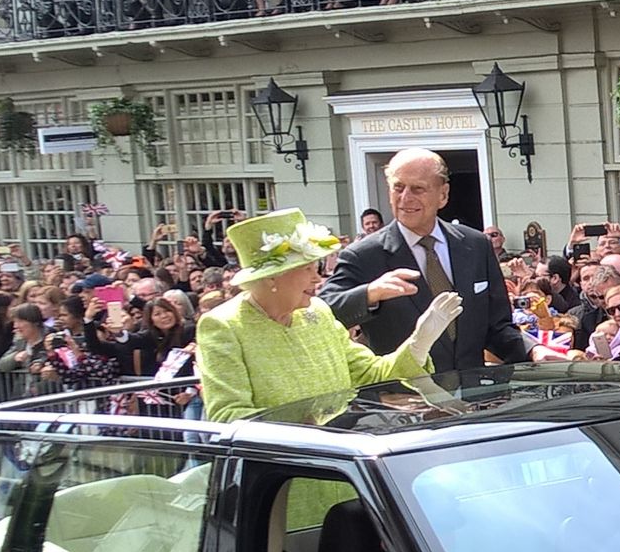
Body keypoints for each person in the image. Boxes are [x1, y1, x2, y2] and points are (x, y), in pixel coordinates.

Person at [196, 209, 460, 424]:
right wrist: (304, 427)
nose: (317, 277)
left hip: (340, 469)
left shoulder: (318, 313)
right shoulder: (224, 326)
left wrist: (419, 343)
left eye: (316, 267)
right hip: (282, 477)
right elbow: (228, 416)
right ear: (272, 277)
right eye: (307, 268)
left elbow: (369, 373)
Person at [321, 149, 559, 371]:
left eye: (418, 189)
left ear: (443, 195)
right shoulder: (364, 255)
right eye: (398, 187)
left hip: (473, 399)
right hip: (406, 404)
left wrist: (533, 349)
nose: (405, 198)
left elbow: (496, 327)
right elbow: (322, 310)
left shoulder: (475, 245)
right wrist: (370, 294)